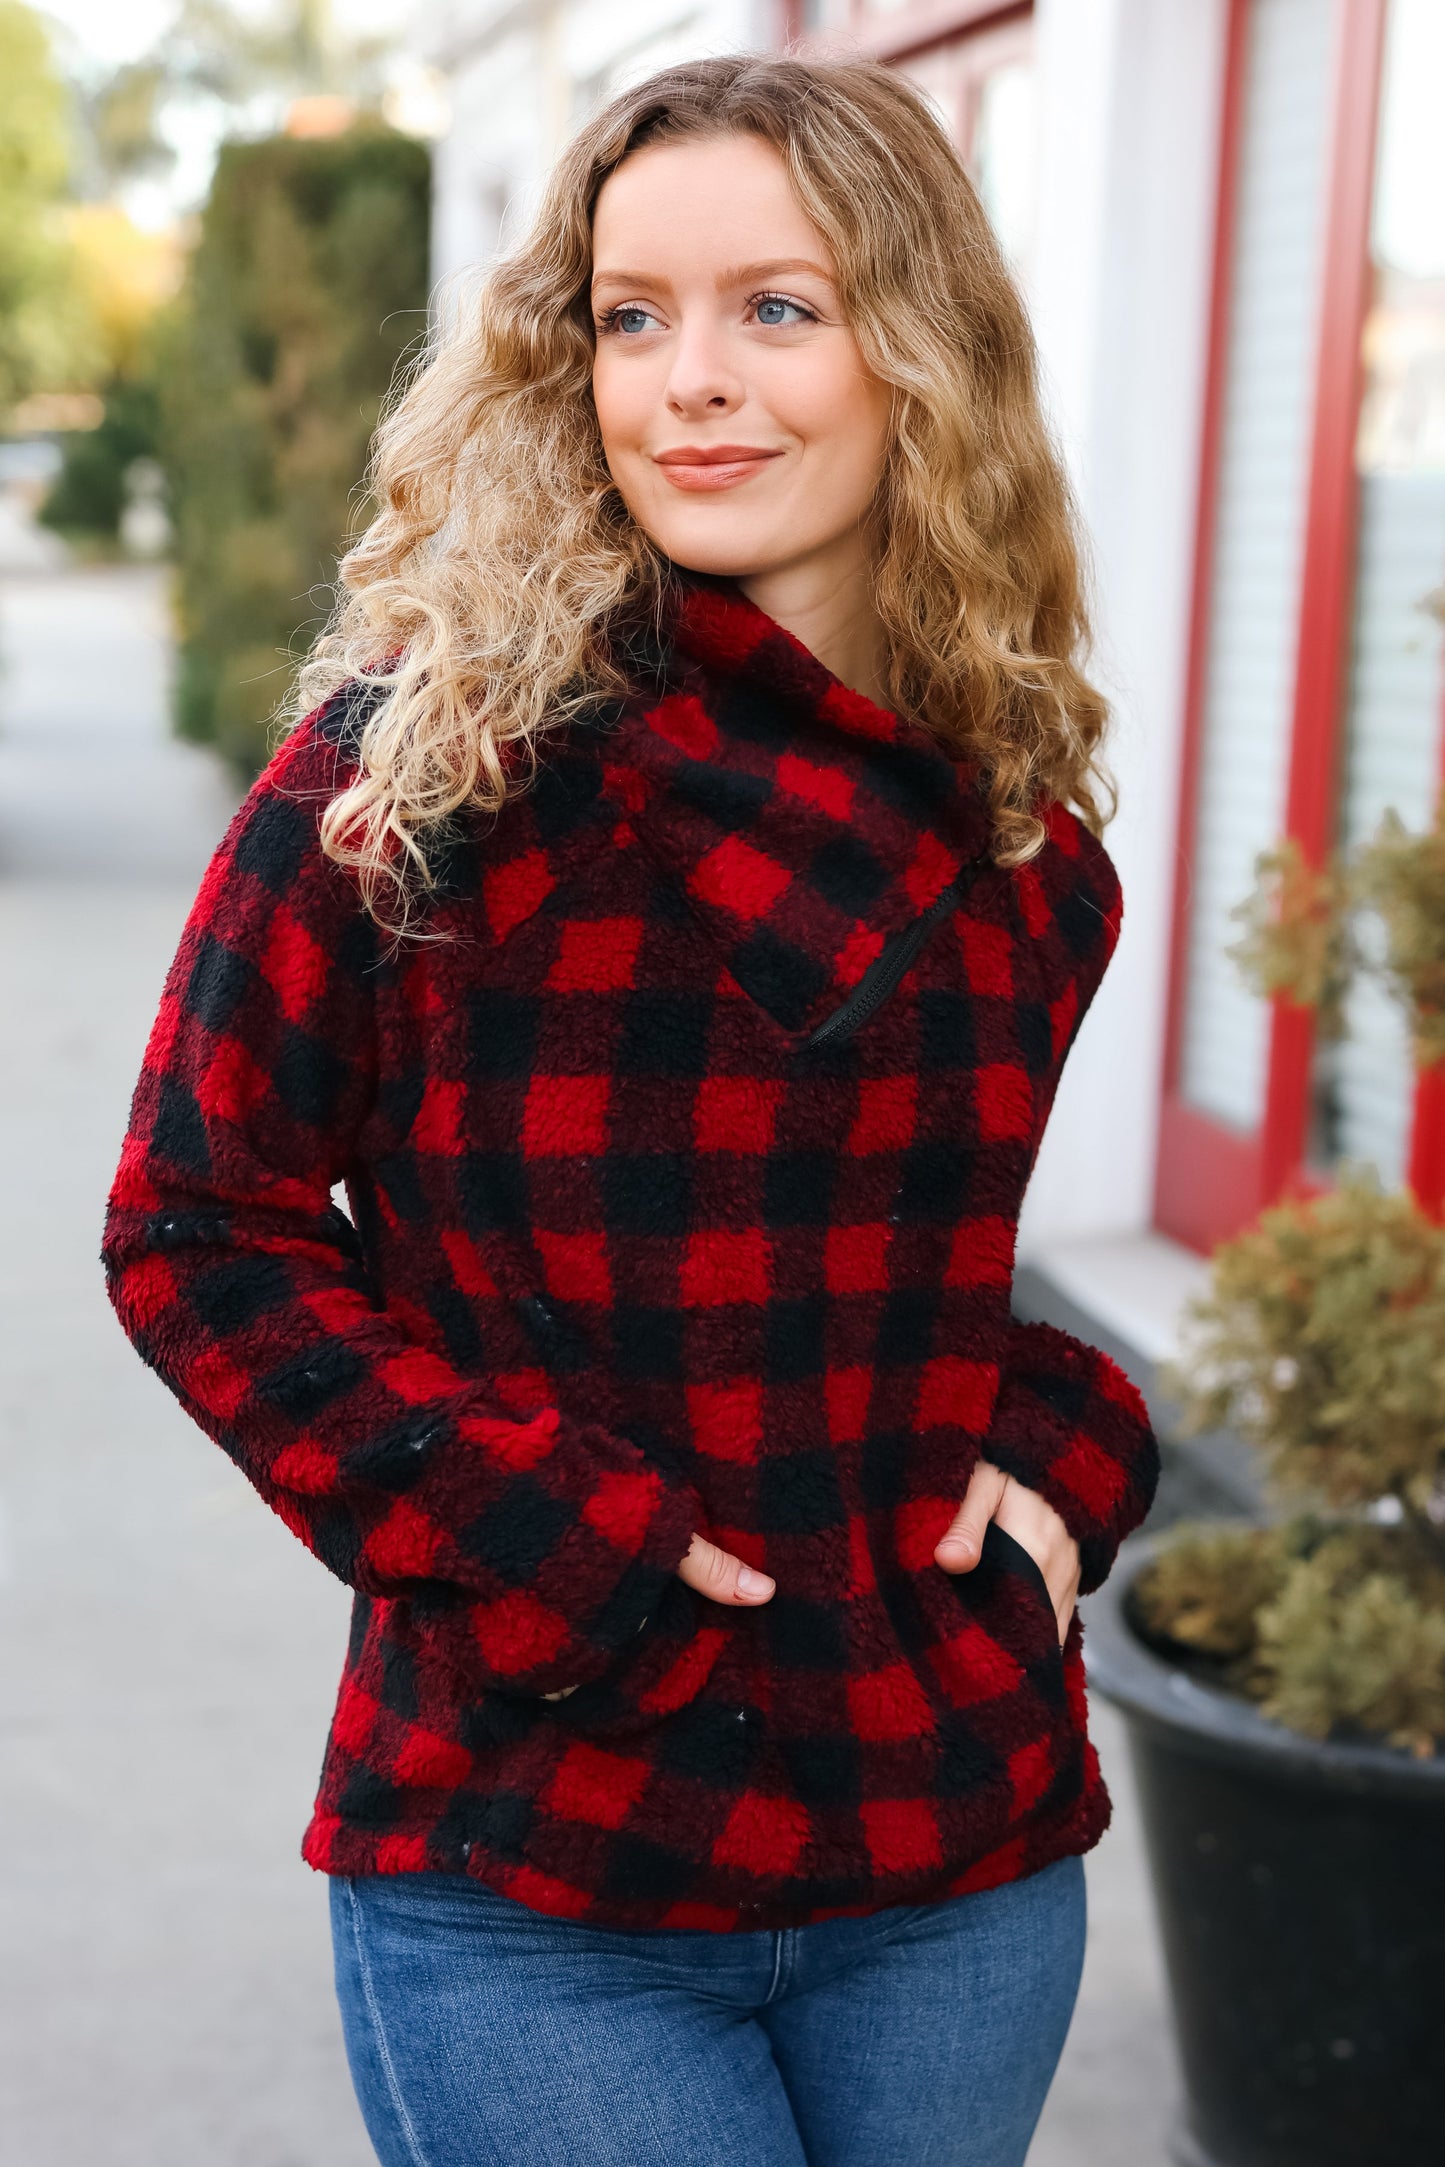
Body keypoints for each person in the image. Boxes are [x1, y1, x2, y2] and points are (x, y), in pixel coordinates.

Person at [101, 52, 1159, 2167]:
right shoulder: (423, 780)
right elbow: (194, 1226)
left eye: (778, 307)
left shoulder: (1025, 852)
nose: (692, 379)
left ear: (918, 356)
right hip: (533, 1855)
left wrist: (1068, 1449)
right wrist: (544, 1536)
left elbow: (919, 1289)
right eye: (629, 315)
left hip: (947, 1853)